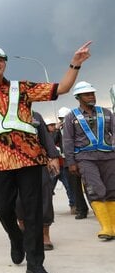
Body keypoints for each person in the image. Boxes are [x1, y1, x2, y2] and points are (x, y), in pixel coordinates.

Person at [0, 41, 91, 273]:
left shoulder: (22, 88)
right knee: (1, 207)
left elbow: (62, 88)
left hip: (30, 160)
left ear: (4, 63)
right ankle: (16, 237)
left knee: (33, 212)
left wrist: (76, 63)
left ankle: (35, 264)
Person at [62, 81, 115, 241]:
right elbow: (68, 140)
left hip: (108, 157)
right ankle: (106, 227)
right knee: (96, 189)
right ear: (78, 97)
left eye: (92, 93)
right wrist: (71, 162)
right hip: (85, 159)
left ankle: (113, 226)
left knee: (112, 190)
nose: (91, 96)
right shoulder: (71, 117)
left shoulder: (106, 113)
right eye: (87, 94)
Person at [15, 112, 60, 251]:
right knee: (17, 199)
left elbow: (46, 138)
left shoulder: (35, 116)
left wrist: (53, 157)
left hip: (38, 162)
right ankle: (24, 229)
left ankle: (44, 233)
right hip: (12, 163)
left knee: (45, 193)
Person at [59, 106, 90, 219]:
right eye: (62, 118)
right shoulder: (58, 131)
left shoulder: (80, 127)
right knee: (75, 188)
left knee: (91, 186)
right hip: (69, 162)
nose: (64, 121)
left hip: (83, 159)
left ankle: (97, 208)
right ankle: (81, 209)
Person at [47, 112, 76, 215]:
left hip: (63, 165)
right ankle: (47, 209)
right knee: (48, 189)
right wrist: (56, 129)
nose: (53, 126)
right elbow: (51, 142)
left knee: (69, 186)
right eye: (50, 125)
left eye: (53, 124)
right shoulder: (48, 136)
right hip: (52, 167)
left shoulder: (64, 132)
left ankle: (73, 205)